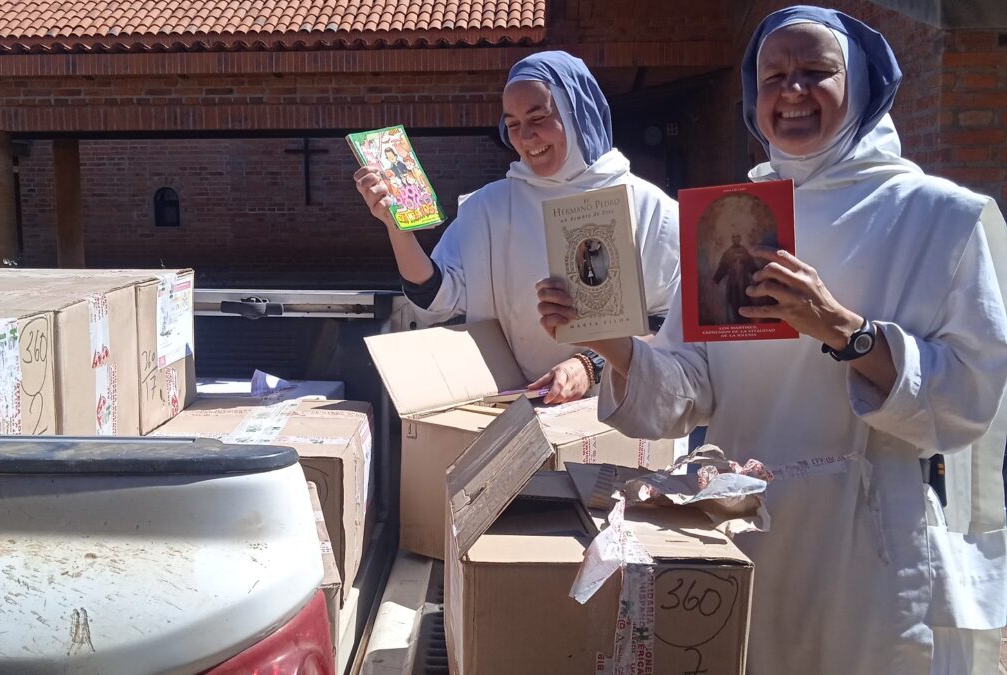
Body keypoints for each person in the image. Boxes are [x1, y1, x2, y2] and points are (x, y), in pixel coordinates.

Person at [537, 7, 1007, 674]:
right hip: (746, 524)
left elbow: (970, 397)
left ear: (865, 86)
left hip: (867, 544)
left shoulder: (935, 217)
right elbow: (691, 388)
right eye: (774, 76)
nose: (792, 90)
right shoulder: (732, 217)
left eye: (816, 72)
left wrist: (845, 330)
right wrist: (613, 342)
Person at [355, 51, 680, 404]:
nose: (526, 136)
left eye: (538, 117)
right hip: (513, 408)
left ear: (577, 113)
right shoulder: (489, 208)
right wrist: (396, 227)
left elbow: (670, 328)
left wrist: (590, 365)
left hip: (622, 414)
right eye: (512, 124)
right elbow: (436, 299)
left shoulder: (650, 209)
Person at [711, 233, 758, 323]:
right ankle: (735, 322)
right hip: (733, 283)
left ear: (740, 238)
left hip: (744, 282)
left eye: (737, 237)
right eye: (733, 237)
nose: (735, 239)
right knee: (733, 302)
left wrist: (759, 275)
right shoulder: (728, 252)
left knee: (746, 301)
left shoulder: (744, 251)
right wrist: (716, 279)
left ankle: (746, 322)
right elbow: (722, 267)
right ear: (732, 239)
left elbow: (752, 266)